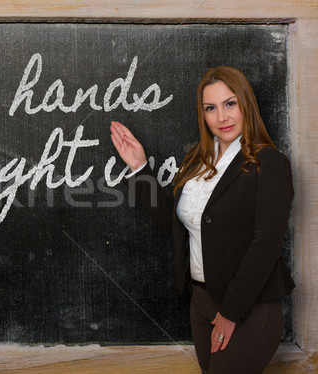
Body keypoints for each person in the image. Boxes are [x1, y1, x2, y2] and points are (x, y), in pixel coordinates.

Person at [110, 65, 294, 374]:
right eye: (211, 108)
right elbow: (175, 223)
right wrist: (140, 169)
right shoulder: (196, 162)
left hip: (249, 306)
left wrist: (231, 313)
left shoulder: (270, 164)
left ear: (246, 104)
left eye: (230, 104)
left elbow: (266, 245)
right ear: (203, 114)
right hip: (201, 302)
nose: (221, 117)